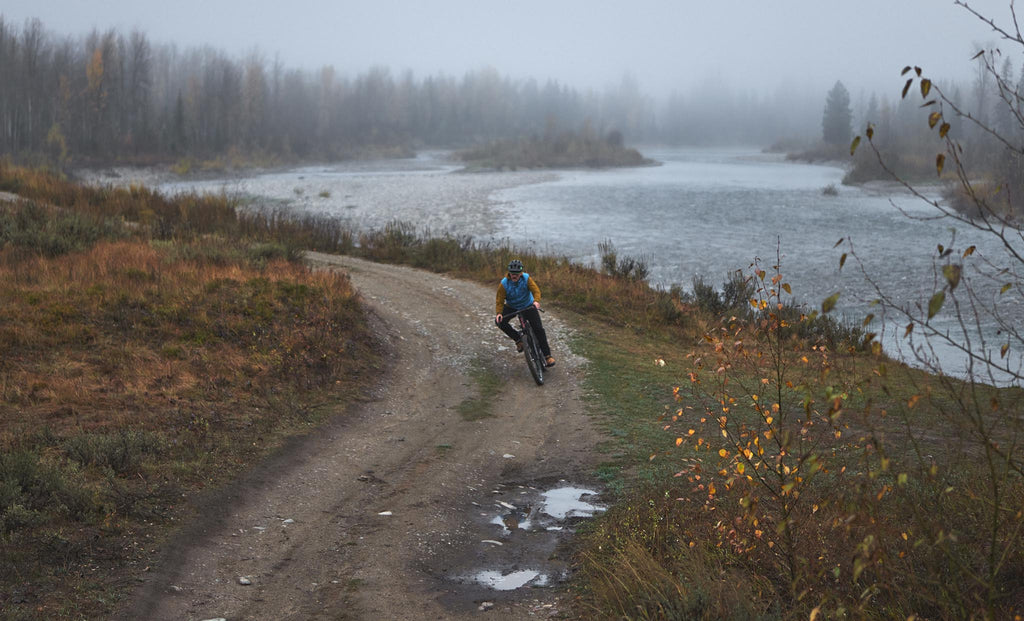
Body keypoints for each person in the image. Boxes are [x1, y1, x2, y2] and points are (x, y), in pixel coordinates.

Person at [495, 259, 555, 367]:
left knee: (538, 329)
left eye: (516, 274)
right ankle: (518, 340)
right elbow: (499, 300)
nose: (514, 276)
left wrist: (536, 301)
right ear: (509, 273)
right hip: (512, 306)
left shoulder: (526, 279)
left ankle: (547, 356)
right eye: (512, 274)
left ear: (520, 273)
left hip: (528, 305)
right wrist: (499, 313)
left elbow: (536, 290)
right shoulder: (504, 284)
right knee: (499, 321)